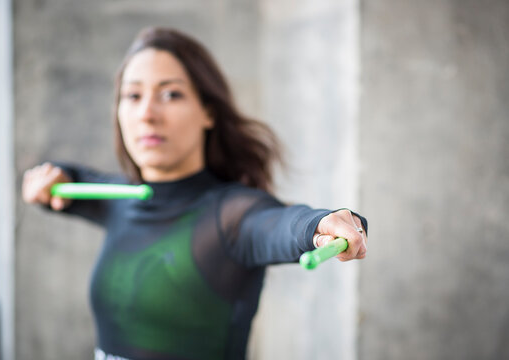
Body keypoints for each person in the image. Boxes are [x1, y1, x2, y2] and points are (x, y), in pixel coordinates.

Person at [22, 27, 368, 360]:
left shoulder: (232, 215)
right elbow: (71, 179)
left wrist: (319, 224)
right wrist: (51, 175)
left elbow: (276, 222)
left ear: (208, 112)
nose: (147, 114)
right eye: (133, 96)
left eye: (171, 94)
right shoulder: (118, 197)